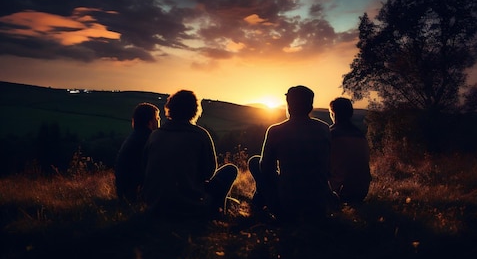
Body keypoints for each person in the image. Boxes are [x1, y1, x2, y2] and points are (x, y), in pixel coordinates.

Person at [141, 89, 238, 221]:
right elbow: (208, 173)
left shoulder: (155, 135)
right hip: (189, 207)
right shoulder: (200, 135)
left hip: (155, 205)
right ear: (194, 110)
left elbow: (145, 167)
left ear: (169, 108)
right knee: (230, 170)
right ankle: (216, 213)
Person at [248, 85, 332, 222]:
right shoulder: (324, 129)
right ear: (310, 106)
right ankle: (258, 203)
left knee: (254, 162)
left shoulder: (276, 131)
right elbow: (327, 167)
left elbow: (266, 168)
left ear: (289, 106)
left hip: (288, 207)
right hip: (319, 204)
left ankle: (258, 204)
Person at [328, 97, 371, 206]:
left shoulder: (330, 135)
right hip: (362, 190)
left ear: (333, 114)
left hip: (339, 192)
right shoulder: (360, 135)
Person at [115, 102, 160, 203]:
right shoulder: (149, 139)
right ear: (150, 122)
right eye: (157, 118)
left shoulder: (134, 137)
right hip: (136, 195)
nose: (159, 121)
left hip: (125, 193)